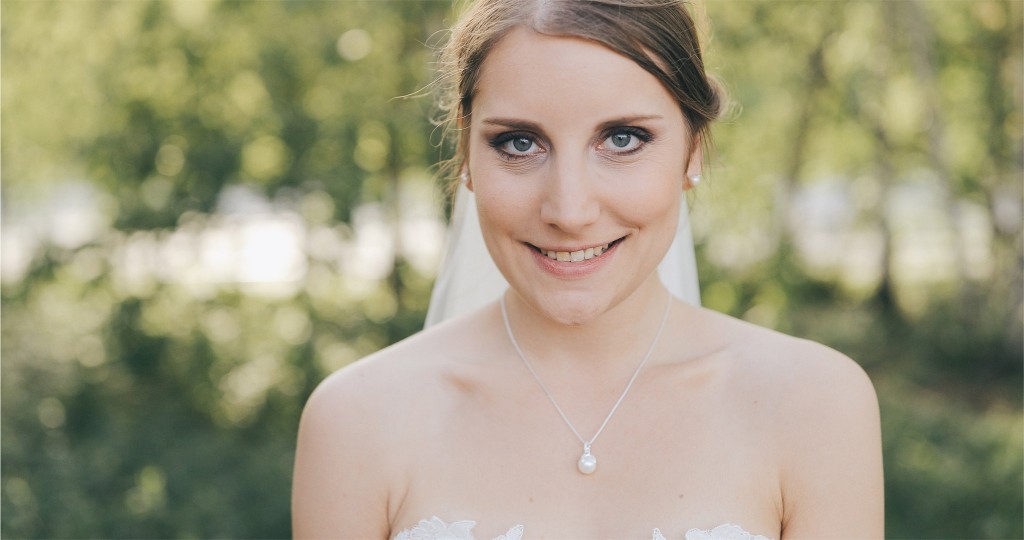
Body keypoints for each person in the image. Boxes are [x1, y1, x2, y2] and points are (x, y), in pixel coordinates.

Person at [292, 1, 884, 538]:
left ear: (693, 150)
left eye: (622, 138)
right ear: (467, 153)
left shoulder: (815, 407)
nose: (570, 212)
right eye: (520, 144)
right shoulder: (357, 421)